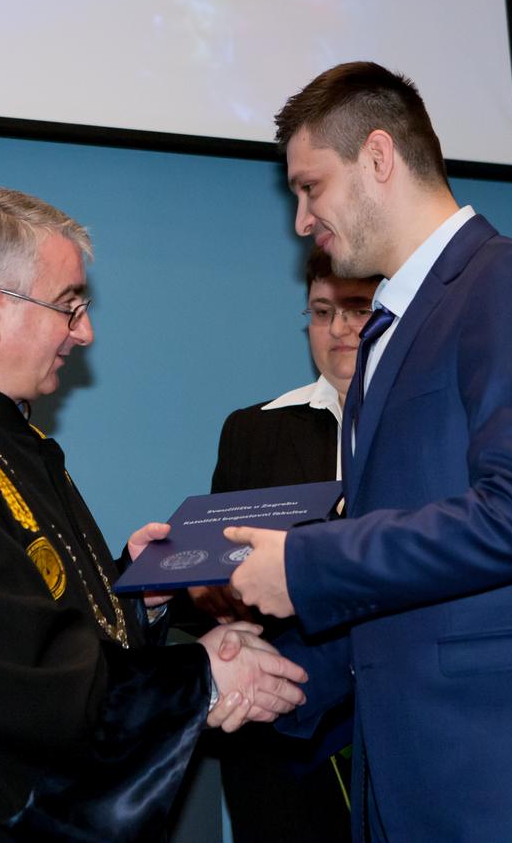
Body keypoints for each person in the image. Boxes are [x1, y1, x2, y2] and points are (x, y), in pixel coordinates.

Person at [226, 62, 512, 841]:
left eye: (310, 187)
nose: (301, 220)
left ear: (377, 156)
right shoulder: (388, 334)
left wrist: (305, 564)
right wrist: (277, 676)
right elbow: (410, 583)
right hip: (421, 788)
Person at [0, 187, 308, 842]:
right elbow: (18, 687)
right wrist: (201, 677)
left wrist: (137, 597)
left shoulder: (5, 441)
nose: (85, 332)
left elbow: (43, 625)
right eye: (69, 306)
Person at [196, 247, 379, 843]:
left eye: (358, 309)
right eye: (322, 312)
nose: (339, 328)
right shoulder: (255, 430)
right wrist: (204, 589)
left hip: (401, 709)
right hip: (276, 720)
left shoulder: (434, 422)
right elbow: (214, 568)